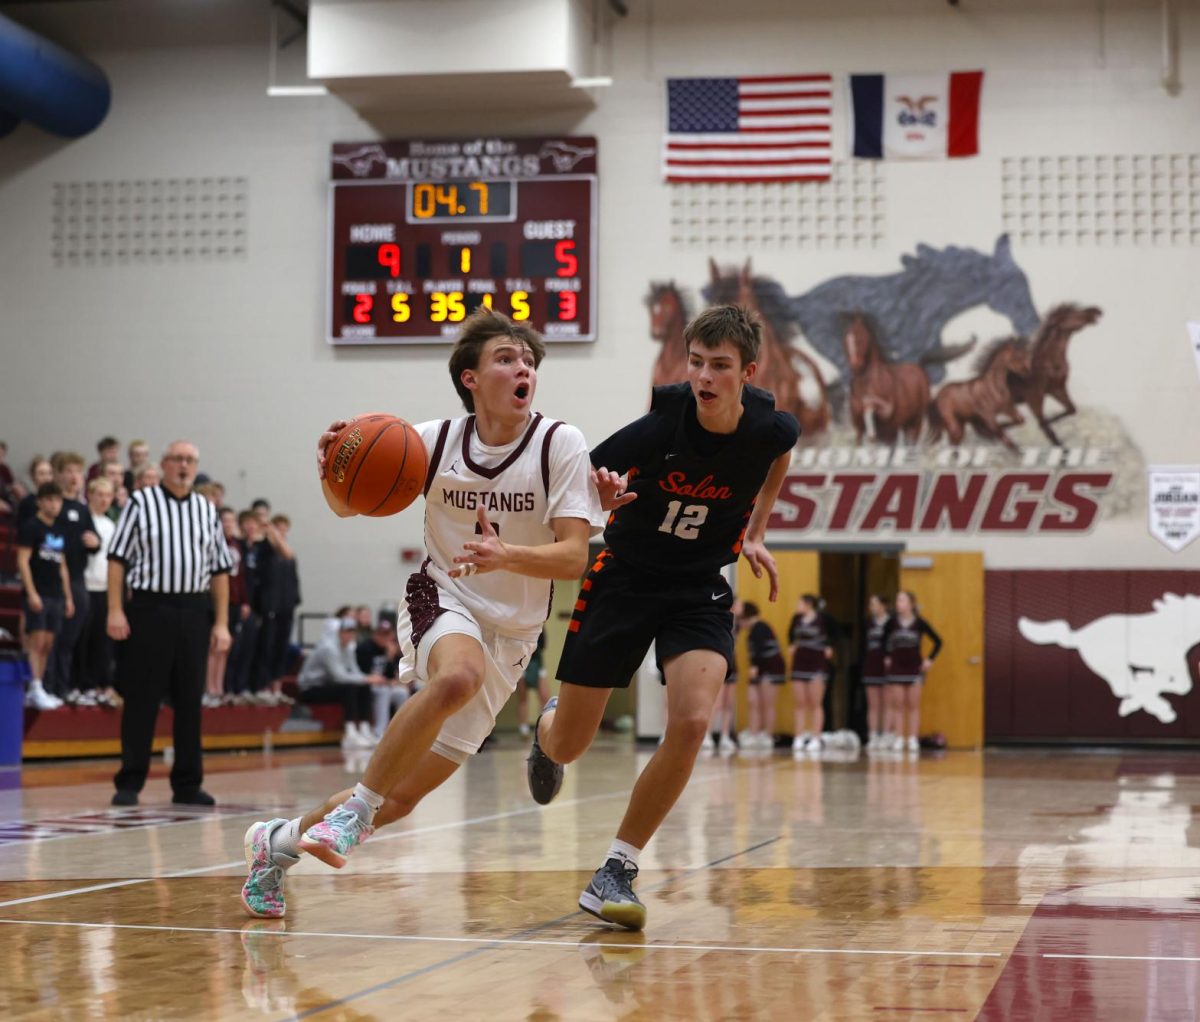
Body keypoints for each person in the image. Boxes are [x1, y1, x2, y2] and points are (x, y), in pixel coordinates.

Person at [238, 307, 607, 920]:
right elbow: (347, 508)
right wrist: (331, 467)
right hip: (443, 594)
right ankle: (355, 812)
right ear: (470, 377)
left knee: (402, 798)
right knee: (454, 677)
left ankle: (273, 845)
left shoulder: (558, 443)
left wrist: (506, 553)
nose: (524, 368)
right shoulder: (429, 443)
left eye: (529, 361)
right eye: (507, 358)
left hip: (513, 633)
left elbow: (573, 558)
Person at [526, 303, 797, 931]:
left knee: (694, 719)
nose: (704, 376)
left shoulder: (767, 426)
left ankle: (616, 868)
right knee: (572, 741)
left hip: (697, 588)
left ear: (746, 372)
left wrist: (756, 530)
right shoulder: (657, 429)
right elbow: (579, 477)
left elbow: (783, 450)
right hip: (624, 578)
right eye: (696, 363)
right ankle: (548, 731)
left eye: (719, 366)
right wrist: (600, 496)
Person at [107, 440, 233, 806]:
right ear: (163, 464)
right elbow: (117, 559)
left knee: (190, 700)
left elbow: (220, 570)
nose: (184, 465)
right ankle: (129, 781)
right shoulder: (140, 502)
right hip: (150, 609)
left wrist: (221, 623)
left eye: (190, 460)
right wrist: (115, 610)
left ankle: (188, 783)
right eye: (177, 459)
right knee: (141, 698)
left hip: (194, 612)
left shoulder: (206, 510)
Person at [45, 452, 100, 704]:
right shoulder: (53, 505)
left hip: (78, 578)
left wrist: (94, 542)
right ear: (58, 474)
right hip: (52, 579)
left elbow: (93, 541)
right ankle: (48, 686)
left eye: (78, 471)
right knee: (52, 637)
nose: (74, 476)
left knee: (71, 638)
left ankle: (63, 687)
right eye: (68, 470)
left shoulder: (81, 508)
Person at [16, 482, 73, 710]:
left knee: (49, 643)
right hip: (38, 592)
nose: (54, 504)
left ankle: (39, 687)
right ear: (40, 501)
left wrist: (68, 597)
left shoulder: (59, 529)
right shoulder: (31, 527)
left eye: (57, 500)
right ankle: (34, 687)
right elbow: (22, 561)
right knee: (36, 641)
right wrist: (31, 593)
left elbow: (63, 566)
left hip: (56, 594)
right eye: (49, 499)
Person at [297, 615, 386, 749]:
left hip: (328, 684)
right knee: (349, 688)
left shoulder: (349, 647)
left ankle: (364, 729)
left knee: (363, 686)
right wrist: (366, 678)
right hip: (310, 688)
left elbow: (354, 671)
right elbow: (338, 676)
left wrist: (369, 678)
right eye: (347, 631)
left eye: (352, 631)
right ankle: (350, 734)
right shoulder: (328, 648)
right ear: (339, 632)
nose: (350, 635)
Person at [882, 590, 943, 754]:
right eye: (897, 600)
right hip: (896, 667)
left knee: (913, 705)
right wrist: (887, 656)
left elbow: (938, 642)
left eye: (902, 600)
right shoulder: (891, 623)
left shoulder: (920, 623)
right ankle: (899, 738)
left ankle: (913, 738)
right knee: (898, 705)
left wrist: (929, 659)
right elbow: (882, 641)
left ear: (911, 604)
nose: (898, 603)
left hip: (914, 667)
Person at [79, 477, 118, 706]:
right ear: (90, 495)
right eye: (100, 495)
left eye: (108, 496)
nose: (104, 500)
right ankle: (83, 683)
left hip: (105, 587)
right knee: (83, 638)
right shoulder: (84, 520)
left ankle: (101, 683)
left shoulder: (111, 525)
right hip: (85, 585)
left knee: (102, 639)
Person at [787, 593, 835, 754]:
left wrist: (829, 646)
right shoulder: (796, 619)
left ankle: (816, 737)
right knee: (800, 703)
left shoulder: (823, 619)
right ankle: (799, 737)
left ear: (808, 604)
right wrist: (792, 646)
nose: (798, 606)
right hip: (800, 662)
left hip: (817, 663)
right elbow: (790, 636)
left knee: (815, 703)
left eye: (800, 603)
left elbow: (835, 634)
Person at [738, 600, 786, 752]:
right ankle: (753, 733)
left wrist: (755, 666)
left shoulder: (760, 628)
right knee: (753, 701)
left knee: (767, 703)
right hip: (760, 669)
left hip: (770, 669)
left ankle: (768, 735)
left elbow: (763, 653)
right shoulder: (752, 630)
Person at [355, 617, 409, 739]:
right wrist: (380, 680)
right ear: (375, 634)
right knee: (383, 692)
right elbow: (362, 671)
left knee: (401, 692)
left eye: (388, 634)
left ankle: (400, 731)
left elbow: (391, 675)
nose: (385, 638)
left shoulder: (389, 649)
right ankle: (379, 731)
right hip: (368, 685)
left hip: (384, 684)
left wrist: (389, 657)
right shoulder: (365, 648)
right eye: (381, 634)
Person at [863, 594, 892, 750]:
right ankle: (873, 735)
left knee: (888, 702)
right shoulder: (869, 623)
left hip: (887, 666)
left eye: (874, 604)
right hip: (871, 664)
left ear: (883, 605)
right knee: (873, 704)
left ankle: (887, 734)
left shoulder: (892, 623)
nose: (871, 607)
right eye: (870, 604)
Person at [513, 631, 549, 737]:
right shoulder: (519, 625)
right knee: (523, 697)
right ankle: (524, 727)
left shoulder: (540, 625)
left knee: (545, 696)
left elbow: (543, 645)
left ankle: (544, 726)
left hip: (536, 662)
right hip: (521, 661)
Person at [16, 457, 54, 527]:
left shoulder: (59, 500)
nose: (46, 478)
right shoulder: (27, 502)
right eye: (41, 474)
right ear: (33, 476)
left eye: (49, 473)